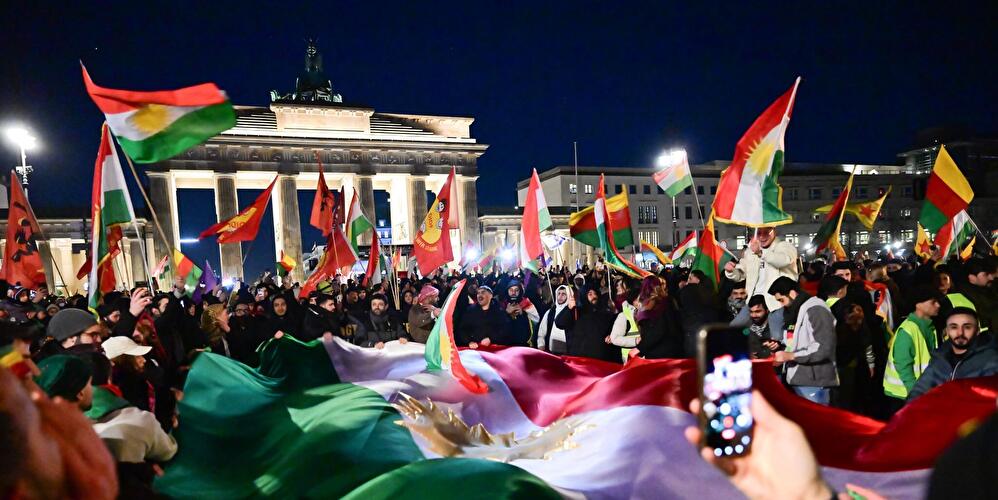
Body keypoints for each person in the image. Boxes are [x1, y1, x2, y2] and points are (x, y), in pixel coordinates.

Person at [768, 276, 838, 405]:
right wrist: (780, 348)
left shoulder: (816, 309)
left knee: (816, 422)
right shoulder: (794, 312)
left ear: (792, 293)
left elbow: (823, 349)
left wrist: (789, 356)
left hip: (815, 383)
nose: (781, 305)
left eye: (781, 300)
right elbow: (795, 342)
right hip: (800, 380)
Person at [908, 307, 998, 400]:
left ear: (977, 331)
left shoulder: (990, 360)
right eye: (954, 327)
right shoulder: (940, 357)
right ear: (946, 331)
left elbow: (988, 401)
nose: (960, 332)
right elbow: (920, 388)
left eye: (967, 327)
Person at [725, 226, 798, 336]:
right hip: (754, 301)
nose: (762, 236)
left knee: (777, 337)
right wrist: (730, 271)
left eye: (767, 232)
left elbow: (783, 260)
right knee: (731, 331)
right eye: (759, 233)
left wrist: (761, 253)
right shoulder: (750, 252)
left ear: (774, 231)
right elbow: (741, 274)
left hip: (776, 302)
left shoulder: (784, 246)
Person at [883, 285, 940, 410]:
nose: (938, 305)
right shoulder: (907, 331)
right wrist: (915, 392)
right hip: (903, 395)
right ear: (918, 304)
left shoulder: (930, 326)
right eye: (933, 302)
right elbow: (903, 366)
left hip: (919, 391)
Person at [555, 287, 620, 363]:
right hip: (580, 360)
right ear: (584, 296)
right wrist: (569, 308)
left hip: (600, 361)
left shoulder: (604, 312)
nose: (594, 296)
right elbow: (559, 323)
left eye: (595, 294)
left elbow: (613, 328)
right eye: (590, 294)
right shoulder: (576, 311)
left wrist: (614, 311)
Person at [632, 276, 684, 360]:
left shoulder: (656, 305)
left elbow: (658, 330)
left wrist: (640, 348)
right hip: (670, 349)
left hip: (659, 352)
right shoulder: (668, 301)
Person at [500, 280, 539, 347]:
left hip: (523, 344)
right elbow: (496, 324)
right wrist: (506, 313)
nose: (513, 293)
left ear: (520, 291)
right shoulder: (502, 304)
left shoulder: (527, 303)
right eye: (511, 290)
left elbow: (536, 321)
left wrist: (522, 313)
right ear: (507, 291)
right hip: (506, 344)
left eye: (516, 290)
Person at [608, 289, 641, 361]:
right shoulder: (624, 316)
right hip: (630, 359)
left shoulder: (645, 314)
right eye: (639, 299)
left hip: (644, 357)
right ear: (633, 301)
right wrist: (635, 341)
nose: (641, 302)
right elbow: (615, 338)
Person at [538, 284, 571, 354]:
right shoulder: (550, 312)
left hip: (567, 352)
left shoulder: (572, 312)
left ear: (568, 296)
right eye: (558, 293)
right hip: (550, 351)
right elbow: (542, 331)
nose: (560, 296)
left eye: (563, 294)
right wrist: (541, 344)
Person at [746, 295, 775, 359]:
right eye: (751, 312)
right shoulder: (745, 329)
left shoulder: (776, 327)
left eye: (757, 311)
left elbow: (788, 345)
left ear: (767, 310)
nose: (754, 315)